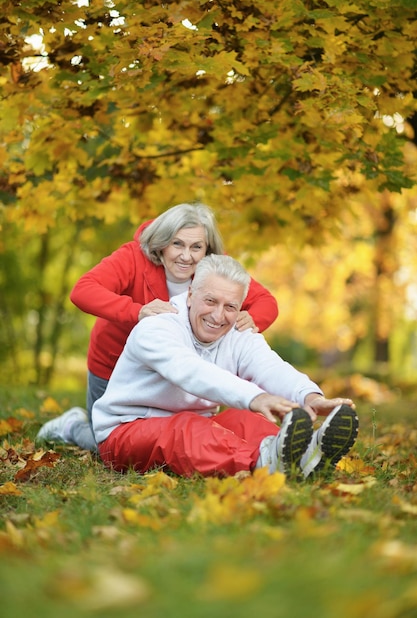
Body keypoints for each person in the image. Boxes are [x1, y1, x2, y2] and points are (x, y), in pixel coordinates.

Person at [92, 254, 359, 479]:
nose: (218, 316)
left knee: (247, 419)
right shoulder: (157, 326)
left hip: (200, 424)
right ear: (190, 295)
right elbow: (192, 371)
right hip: (125, 431)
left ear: (240, 307)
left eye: (230, 306)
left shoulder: (237, 331)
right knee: (187, 429)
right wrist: (255, 396)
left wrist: (310, 397)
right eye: (210, 301)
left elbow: (270, 366)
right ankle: (263, 463)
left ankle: (306, 454)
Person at [36, 203, 279, 450]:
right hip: (114, 364)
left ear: (207, 250)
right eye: (177, 244)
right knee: (108, 445)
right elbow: (84, 290)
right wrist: (137, 311)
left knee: (172, 437)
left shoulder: (214, 269)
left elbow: (265, 301)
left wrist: (252, 319)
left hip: (178, 368)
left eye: (196, 247)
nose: (187, 256)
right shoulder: (133, 257)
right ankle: (72, 427)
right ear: (162, 242)